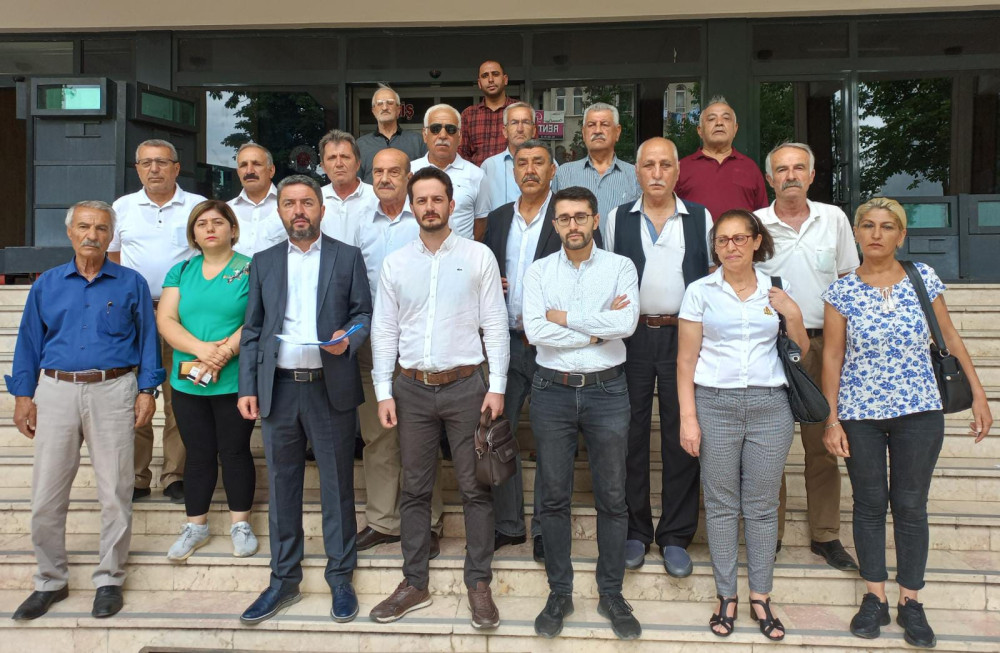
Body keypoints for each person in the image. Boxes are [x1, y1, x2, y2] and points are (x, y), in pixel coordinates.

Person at [821, 197, 993, 648]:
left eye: (887, 226)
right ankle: (874, 596)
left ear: (901, 235)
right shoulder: (841, 291)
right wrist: (831, 419)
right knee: (869, 503)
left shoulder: (922, 278)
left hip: (919, 410)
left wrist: (978, 394)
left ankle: (911, 601)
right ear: (856, 233)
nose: (876, 234)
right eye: (868, 225)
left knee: (911, 505)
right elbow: (833, 356)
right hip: (860, 413)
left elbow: (949, 336)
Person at [7, 200, 163, 620]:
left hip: (114, 389)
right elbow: (28, 342)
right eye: (84, 227)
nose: (92, 235)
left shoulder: (131, 283)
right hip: (56, 391)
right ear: (70, 232)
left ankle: (109, 579)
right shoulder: (47, 284)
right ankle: (50, 580)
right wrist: (23, 396)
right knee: (46, 495)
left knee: (115, 491)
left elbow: (148, 340)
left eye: (101, 228)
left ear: (111, 235)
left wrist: (147, 390)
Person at [369, 167, 508, 629]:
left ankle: (479, 583)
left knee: (474, 488)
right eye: (421, 200)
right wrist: (383, 391)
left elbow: (495, 324)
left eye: (437, 199)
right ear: (412, 207)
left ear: (451, 204)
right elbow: (384, 329)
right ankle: (414, 583)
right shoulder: (396, 263)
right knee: (414, 488)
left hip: (467, 387)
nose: (429, 207)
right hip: (410, 389)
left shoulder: (478, 256)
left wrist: (497, 385)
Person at [237, 175, 372, 626]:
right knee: (282, 487)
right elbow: (253, 329)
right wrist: (248, 387)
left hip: (328, 387)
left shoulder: (346, 257)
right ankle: (283, 578)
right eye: (290, 203)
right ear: (279, 211)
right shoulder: (264, 262)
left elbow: (363, 313)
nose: (299, 210)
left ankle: (340, 576)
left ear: (322, 209)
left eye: (307, 203)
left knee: (337, 486)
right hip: (278, 388)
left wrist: (348, 338)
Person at [677, 209, 808, 642]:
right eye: (722, 240)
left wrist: (792, 313)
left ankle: (761, 595)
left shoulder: (777, 288)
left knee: (762, 505)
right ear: (715, 247)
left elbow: (801, 352)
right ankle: (726, 595)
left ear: (756, 242)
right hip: (715, 404)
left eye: (739, 238)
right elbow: (685, 361)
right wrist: (688, 418)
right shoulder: (700, 291)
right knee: (720, 504)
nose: (730, 246)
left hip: (771, 406)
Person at [523, 186, 642, 641]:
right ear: (554, 225)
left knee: (612, 496)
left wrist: (564, 317)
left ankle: (611, 592)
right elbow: (535, 331)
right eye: (564, 218)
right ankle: (560, 592)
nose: (572, 225)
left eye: (580, 216)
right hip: (551, 391)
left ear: (594, 220)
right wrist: (595, 328)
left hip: (607, 390)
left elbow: (625, 324)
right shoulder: (538, 272)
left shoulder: (620, 267)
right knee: (553, 497)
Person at [603, 137, 712, 576]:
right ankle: (635, 530)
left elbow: (711, 276)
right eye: (648, 165)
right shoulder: (617, 218)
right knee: (628, 435)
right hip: (630, 338)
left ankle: (675, 535)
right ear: (637, 172)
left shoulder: (699, 217)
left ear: (677, 171)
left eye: (665, 165)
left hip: (683, 337)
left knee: (681, 435)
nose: (657, 173)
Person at [754, 142, 860, 569]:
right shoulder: (754, 224)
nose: (791, 176)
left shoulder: (833, 219)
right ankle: (770, 534)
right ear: (770, 178)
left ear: (812, 176)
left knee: (822, 444)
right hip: (769, 345)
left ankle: (826, 534)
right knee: (769, 448)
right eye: (782, 169)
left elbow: (849, 280)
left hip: (822, 345)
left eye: (799, 168)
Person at [350, 148, 446, 556]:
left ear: (409, 176)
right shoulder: (358, 223)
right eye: (378, 172)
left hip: (420, 342)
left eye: (394, 171)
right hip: (372, 342)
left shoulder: (426, 217)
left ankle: (429, 522)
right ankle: (383, 521)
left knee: (422, 437)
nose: (385, 178)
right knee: (377, 436)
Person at [157, 200, 258, 562]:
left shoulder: (251, 269)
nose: (210, 228)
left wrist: (224, 352)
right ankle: (195, 526)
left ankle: (240, 525)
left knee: (235, 452)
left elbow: (257, 318)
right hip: (188, 380)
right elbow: (166, 319)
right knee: (197, 454)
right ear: (193, 234)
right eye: (201, 224)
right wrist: (202, 349)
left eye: (218, 222)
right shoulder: (181, 271)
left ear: (233, 229)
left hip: (234, 379)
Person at [109, 138, 206, 503]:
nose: (154, 169)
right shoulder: (123, 207)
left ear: (176, 168)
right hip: (135, 318)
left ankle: (175, 474)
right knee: (135, 395)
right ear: (137, 169)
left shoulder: (196, 206)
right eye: (146, 162)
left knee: (181, 396)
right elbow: (114, 258)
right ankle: (136, 475)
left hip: (184, 317)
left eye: (162, 162)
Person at [483, 139, 562, 560]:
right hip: (506, 343)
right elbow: (482, 271)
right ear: (513, 171)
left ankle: (547, 529)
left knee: (552, 438)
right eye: (522, 163)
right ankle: (509, 525)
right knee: (499, 434)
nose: (530, 169)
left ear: (553, 170)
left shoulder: (567, 215)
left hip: (552, 346)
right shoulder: (498, 218)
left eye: (538, 162)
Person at [675, 95, 768, 220]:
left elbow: (762, 217)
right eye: (711, 119)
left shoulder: (750, 168)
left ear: (735, 129)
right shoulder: (681, 168)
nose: (719, 123)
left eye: (726, 118)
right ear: (700, 130)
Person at [411, 104, 490, 240]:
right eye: (435, 129)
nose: (443, 135)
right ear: (425, 135)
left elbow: (481, 224)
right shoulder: (410, 171)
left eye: (451, 129)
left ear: (460, 137)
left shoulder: (477, 175)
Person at [552, 103, 640, 219]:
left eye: (604, 124)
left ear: (617, 132)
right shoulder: (564, 173)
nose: (597, 130)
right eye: (591, 125)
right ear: (583, 133)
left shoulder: (635, 176)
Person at [357, 84, 427, 184]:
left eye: (390, 103)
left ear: (398, 109)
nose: (385, 107)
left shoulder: (417, 141)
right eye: (379, 104)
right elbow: (356, 182)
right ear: (373, 111)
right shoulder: (360, 144)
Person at [318, 129, 378, 243]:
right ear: (323, 167)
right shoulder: (315, 200)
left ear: (358, 164)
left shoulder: (376, 197)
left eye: (345, 157)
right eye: (332, 158)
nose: (339, 164)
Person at [227, 142, 287, 257]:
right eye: (243, 165)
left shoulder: (291, 207)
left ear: (271, 170)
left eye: (257, 164)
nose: (249, 171)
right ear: (238, 172)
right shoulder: (225, 210)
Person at [480, 102, 538, 211]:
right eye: (514, 123)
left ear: (534, 130)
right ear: (505, 131)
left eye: (525, 122)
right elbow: (482, 211)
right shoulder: (489, 166)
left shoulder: (548, 164)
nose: (520, 129)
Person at [459, 60, 517, 166]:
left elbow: (532, 149)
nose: (490, 80)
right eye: (485, 76)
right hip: (477, 175)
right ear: (479, 83)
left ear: (505, 79)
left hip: (513, 175)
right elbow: (462, 154)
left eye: (495, 74)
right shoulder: (468, 115)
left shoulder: (520, 110)